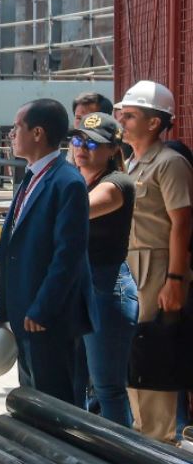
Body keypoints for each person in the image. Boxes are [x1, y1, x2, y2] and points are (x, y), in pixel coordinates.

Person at [0, 99, 93, 404]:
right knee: (33, 400)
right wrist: (3, 300)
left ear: (37, 133)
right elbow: (12, 244)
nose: (11, 134)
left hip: (48, 317)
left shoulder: (67, 182)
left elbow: (68, 256)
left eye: (16, 127)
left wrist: (43, 307)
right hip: (24, 312)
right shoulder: (30, 178)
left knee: (56, 401)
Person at [116, 81, 192, 442]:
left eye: (130, 115)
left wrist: (176, 279)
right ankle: (143, 435)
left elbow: (182, 223)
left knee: (154, 352)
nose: (122, 120)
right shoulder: (132, 163)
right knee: (136, 353)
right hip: (133, 269)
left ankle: (159, 439)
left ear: (153, 123)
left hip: (157, 270)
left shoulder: (169, 163)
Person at [70, 113, 137, 424]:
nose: (82, 148)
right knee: (79, 385)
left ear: (113, 150)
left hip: (107, 289)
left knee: (107, 387)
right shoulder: (77, 179)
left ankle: (122, 463)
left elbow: (74, 212)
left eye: (93, 144)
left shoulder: (116, 183)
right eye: (78, 140)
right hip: (82, 287)